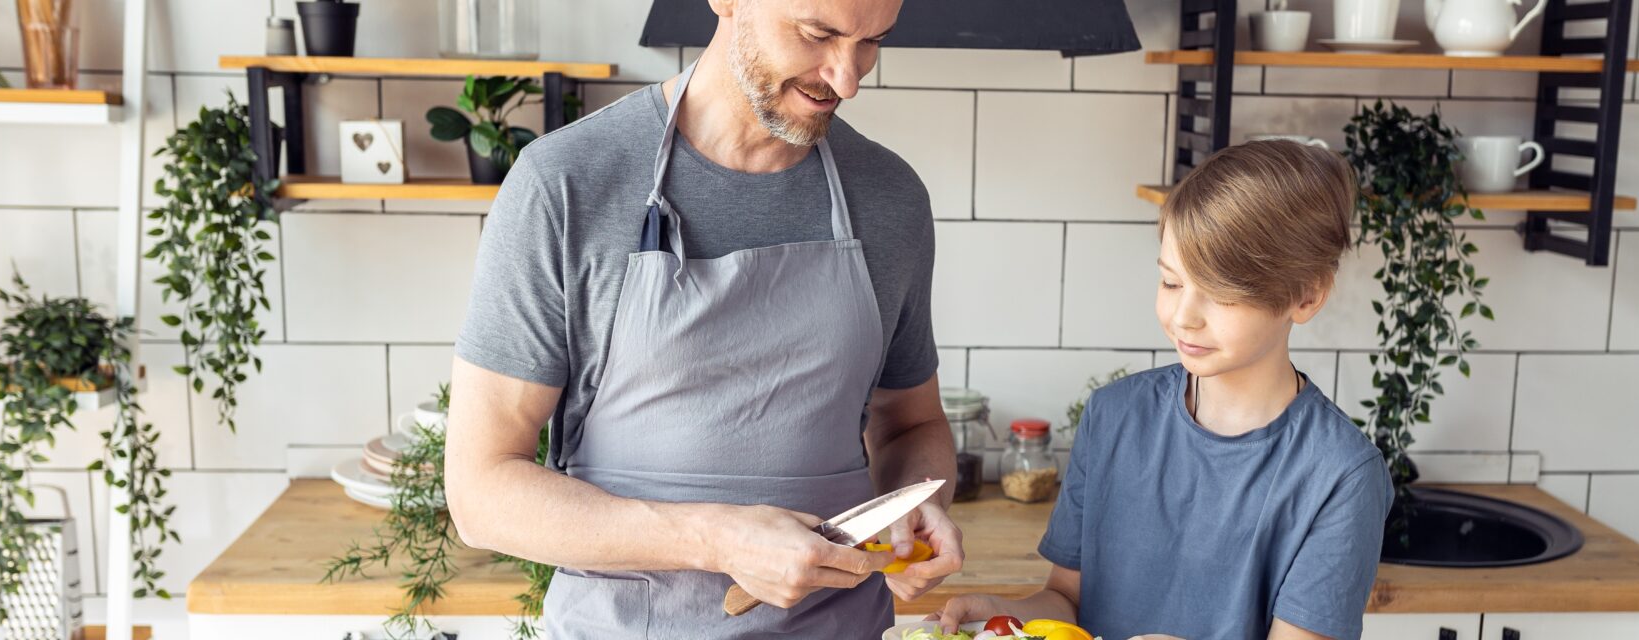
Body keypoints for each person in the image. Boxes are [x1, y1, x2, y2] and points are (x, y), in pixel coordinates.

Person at [440, 0, 963, 637]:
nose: (846, 79)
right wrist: (715, 539)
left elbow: (911, 423)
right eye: (817, 34)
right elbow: (481, 493)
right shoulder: (566, 184)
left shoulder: (889, 196)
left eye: (872, 43)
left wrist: (915, 507)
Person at [932, 141, 1393, 640]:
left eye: (1220, 293)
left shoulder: (1342, 475)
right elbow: (1067, 601)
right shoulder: (1114, 417)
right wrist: (1004, 615)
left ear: (1306, 295)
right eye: (1172, 283)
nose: (1183, 318)